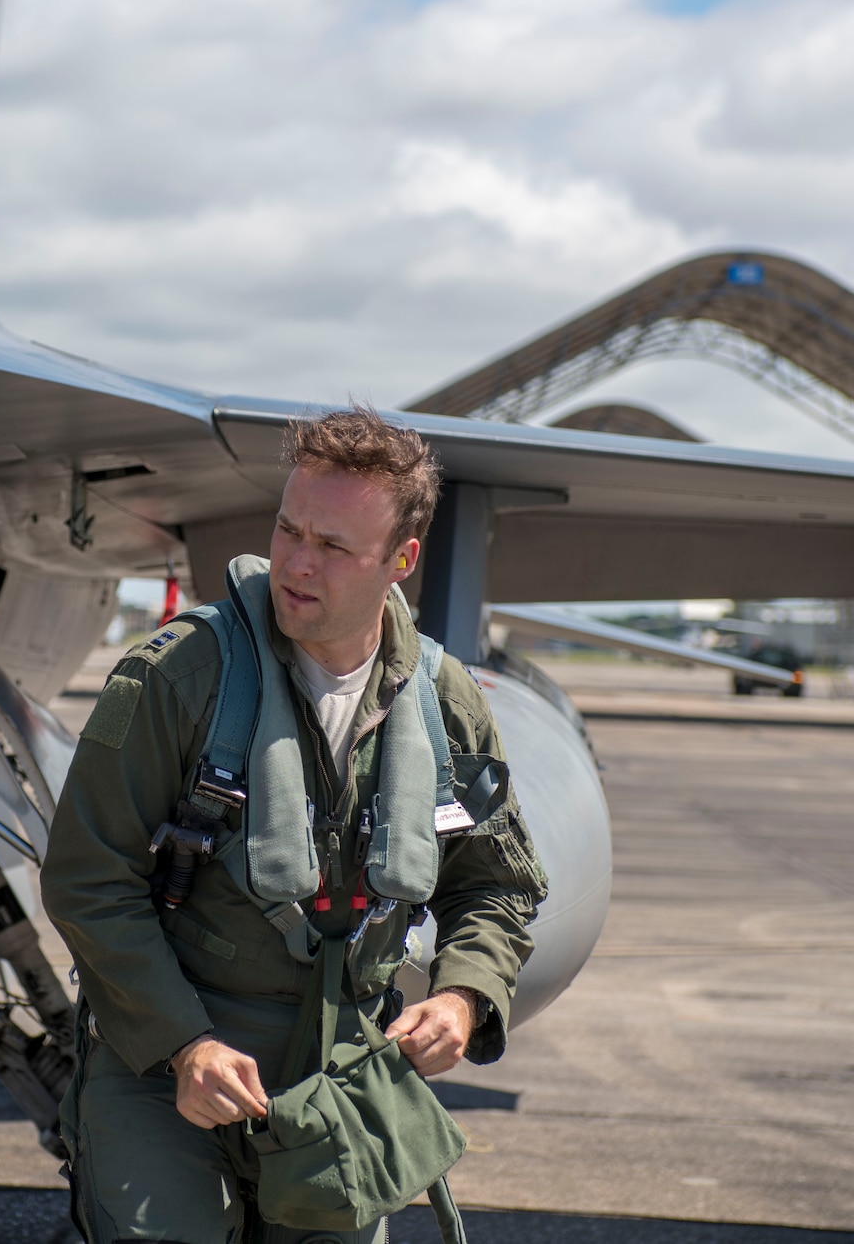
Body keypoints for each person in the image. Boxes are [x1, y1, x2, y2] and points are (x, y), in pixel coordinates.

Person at [40, 406, 548, 1244]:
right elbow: (88, 877)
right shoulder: (180, 675)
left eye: (334, 547)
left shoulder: (445, 701)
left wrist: (463, 993)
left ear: (400, 561)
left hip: (341, 1070)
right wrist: (183, 1043)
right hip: (173, 1054)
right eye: (288, 529)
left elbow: (497, 883)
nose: (297, 563)